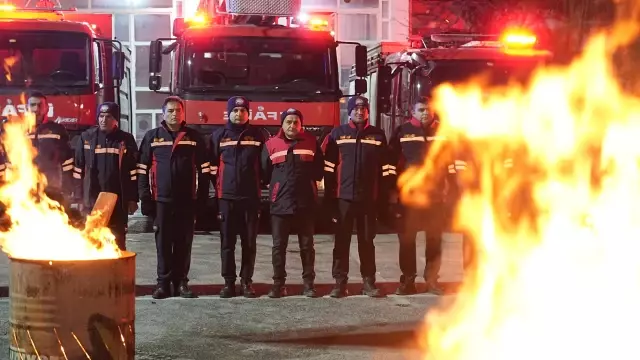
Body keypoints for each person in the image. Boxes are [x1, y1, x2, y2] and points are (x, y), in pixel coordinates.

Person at [388, 96, 463, 295]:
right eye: (420, 109)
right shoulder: (403, 131)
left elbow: (452, 164)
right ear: (412, 112)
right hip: (409, 198)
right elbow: (390, 163)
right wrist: (392, 191)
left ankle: (432, 280)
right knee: (407, 239)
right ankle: (408, 281)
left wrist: (453, 191)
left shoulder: (443, 132)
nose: (425, 113)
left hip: (436, 197)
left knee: (434, 239)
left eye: (428, 109)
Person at [137, 96, 209, 300]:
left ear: (183, 113)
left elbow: (204, 170)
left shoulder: (194, 136)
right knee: (163, 243)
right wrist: (145, 197)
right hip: (161, 201)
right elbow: (142, 169)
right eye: (170, 111)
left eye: (178, 110)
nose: (174, 114)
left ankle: (181, 283)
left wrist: (202, 198)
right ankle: (162, 283)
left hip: (187, 200)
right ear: (163, 113)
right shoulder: (152, 136)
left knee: (184, 243)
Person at [321, 96, 392, 298]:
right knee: (341, 242)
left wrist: (384, 196)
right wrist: (330, 198)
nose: (360, 112)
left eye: (363, 108)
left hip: (368, 199)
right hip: (343, 198)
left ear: (368, 112)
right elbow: (329, 167)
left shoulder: (378, 135)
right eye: (356, 108)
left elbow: (385, 167)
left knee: (367, 241)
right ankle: (339, 283)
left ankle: (368, 282)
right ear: (349, 112)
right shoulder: (337, 134)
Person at [261, 108, 324, 298]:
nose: (292, 125)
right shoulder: (271, 144)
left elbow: (318, 170)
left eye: (296, 122)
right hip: (280, 203)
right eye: (288, 122)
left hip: (305, 203)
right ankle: (278, 284)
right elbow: (264, 173)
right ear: (282, 124)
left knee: (307, 246)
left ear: (301, 124)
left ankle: (308, 284)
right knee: (279, 246)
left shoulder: (312, 142)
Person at [209, 96, 266, 298]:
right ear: (229, 112)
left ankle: (247, 282)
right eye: (235, 110)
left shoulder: (258, 135)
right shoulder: (218, 136)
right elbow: (210, 165)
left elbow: (265, 164)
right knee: (227, 243)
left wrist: (260, 183)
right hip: (227, 198)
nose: (239, 114)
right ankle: (228, 283)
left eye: (243, 111)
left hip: (250, 198)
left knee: (249, 242)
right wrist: (218, 186)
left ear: (247, 113)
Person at [72, 102, 139, 250]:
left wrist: (133, 199)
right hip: (92, 200)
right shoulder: (86, 138)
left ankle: (119, 272)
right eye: (101, 116)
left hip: (118, 201)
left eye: (108, 116)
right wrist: (78, 198)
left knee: (117, 241)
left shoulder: (126, 140)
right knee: (92, 240)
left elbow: (133, 172)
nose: (103, 120)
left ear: (116, 120)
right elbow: (78, 170)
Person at [26, 91, 74, 207]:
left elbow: (67, 160)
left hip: (52, 188)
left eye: (40, 105)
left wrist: (68, 187)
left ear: (47, 108)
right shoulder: (18, 130)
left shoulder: (57, 130)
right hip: (25, 187)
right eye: (32, 105)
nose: (36, 109)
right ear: (27, 108)